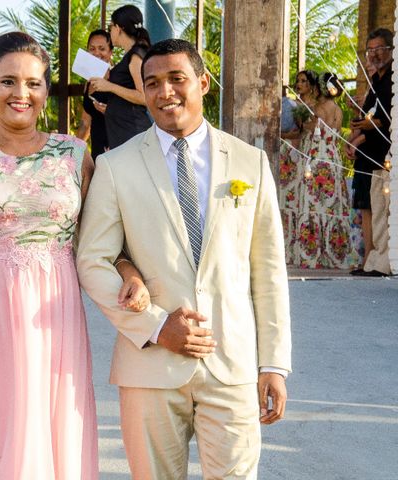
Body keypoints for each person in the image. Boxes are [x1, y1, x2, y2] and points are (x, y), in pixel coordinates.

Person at [0, 31, 148, 479]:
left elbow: (100, 239)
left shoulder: (74, 154)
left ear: (46, 90)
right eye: (7, 82)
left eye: (33, 83)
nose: (20, 93)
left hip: (55, 316)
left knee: (56, 431)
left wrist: (128, 272)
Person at [77, 39, 292, 479]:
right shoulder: (115, 165)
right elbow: (93, 260)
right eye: (152, 83)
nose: (165, 92)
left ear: (203, 83)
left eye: (177, 79)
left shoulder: (250, 164)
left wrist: (273, 363)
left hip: (231, 364)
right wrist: (156, 326)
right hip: (149, 364)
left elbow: (268, 272)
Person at [291, 72, 353, 268]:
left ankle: (312, 255)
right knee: (331, 204)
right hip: (333, 157)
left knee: (313, 204)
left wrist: (303, 121)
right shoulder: (338, 109)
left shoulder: (319, 107)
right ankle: (335, 255)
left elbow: (314, 127)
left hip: (318, 156)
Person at [348, 28, 394, 277]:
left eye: (380, 49)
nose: (374, 55)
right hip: (372, 155)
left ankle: (385, 262)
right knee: (376, 209)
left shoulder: (392, 80)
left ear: (391, 50)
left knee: (385, 210)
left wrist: (367, 128)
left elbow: (387, 119)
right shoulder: (377, 81)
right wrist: (356, 133)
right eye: (371, 50)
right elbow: (370, 114)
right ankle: (375, 261)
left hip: (386, 154)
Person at [89, 4, 152, 149]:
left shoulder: (136, 56)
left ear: (118, 28)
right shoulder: (130, 56)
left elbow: (144, 97)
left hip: (132, 132)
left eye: (110, 27)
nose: (110, 32)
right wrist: (111, 107)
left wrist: (109, 86)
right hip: (123, 132)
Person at [279, 69, 319, 264]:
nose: (299, 84)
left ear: (311, 85)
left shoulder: (313, 106)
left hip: (313, 150)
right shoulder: (296, 105)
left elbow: (307, 129)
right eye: (297, 80)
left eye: (303, 81)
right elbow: (297, 130)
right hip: (298, 150)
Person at [76, 29, 114, 158]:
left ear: (110, 52)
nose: (96, 53)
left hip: (117, 149)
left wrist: (111, 112)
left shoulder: (118, 78)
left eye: (102, 48)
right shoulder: (88, 82)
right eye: (92, 49)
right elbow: (85, 123)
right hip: (98, 153)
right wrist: (73, 150)